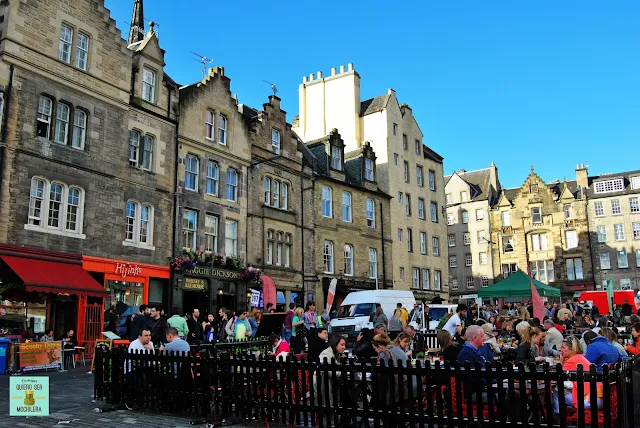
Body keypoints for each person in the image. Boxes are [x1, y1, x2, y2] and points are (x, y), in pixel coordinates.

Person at [552, 336, 597, 415]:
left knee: (556, 389)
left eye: (563, 347)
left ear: (571, 349)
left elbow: (558, 377)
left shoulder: (571, 361)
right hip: (595, 395)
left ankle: (557, 415)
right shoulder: (580, 357)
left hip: (588, 399)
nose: (560, 350)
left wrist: (561, 361)